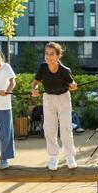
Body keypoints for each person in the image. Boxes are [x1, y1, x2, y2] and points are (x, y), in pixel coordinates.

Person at [31, 42, 78, 170]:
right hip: (48, 98)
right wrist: (34, 89)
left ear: (58, 56)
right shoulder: (42, 67)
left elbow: (72, 85)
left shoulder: (64, 70)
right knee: (49, 129)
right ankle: (53, 157)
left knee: (66, 130)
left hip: (63, 99)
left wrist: (73, 86)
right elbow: (35, 82)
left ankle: (70, 156)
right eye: (46, 54)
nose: (48, 57)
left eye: (52, 54)